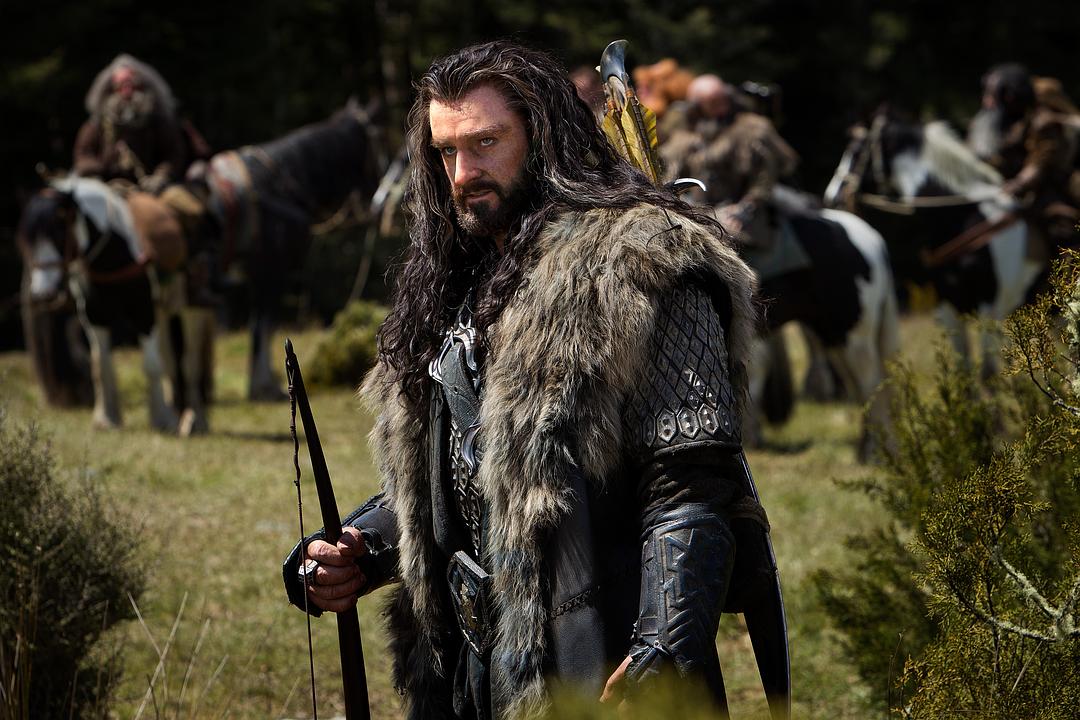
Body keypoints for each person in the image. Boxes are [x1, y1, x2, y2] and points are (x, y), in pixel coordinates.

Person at [282, 41, 786, 720]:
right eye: (446, 151)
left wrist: (664, 646)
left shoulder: (644, 265)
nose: (464, 173)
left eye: (487, 143)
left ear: (544, 134)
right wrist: (359, 550)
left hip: (600, 653)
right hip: (467, 668)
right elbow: (463, 474)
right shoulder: (455, 279)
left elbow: (692, 488)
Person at [660, 74, 798, 248]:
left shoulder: (752, 128)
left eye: (722, 99)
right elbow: (670, 172)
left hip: (742, 211)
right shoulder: (686, 134)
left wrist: (745, 208)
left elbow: (765, 177)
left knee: (726, 236)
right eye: (712, 102)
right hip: (699, 209)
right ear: (698, 106)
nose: (720, 106)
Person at [967, 63, 1080, 246]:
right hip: (1018, 188)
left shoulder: (1043, 121)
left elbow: (1039, 164)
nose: (986, 102)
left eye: (991, 95)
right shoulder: (1003, 124)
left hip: (1051, 185)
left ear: (1010, 97)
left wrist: (1016, 185)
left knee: (1061, 226)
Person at [73, 54, 206, 194]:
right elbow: (83, 155)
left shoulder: (158, 121)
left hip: (152, 189)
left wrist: (160, 176)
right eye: (121, 86)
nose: (127, 92)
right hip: (109, 188)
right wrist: (98, 174)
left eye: (131, 85)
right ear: (111, 89)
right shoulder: (97, 124)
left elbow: (173, 154)